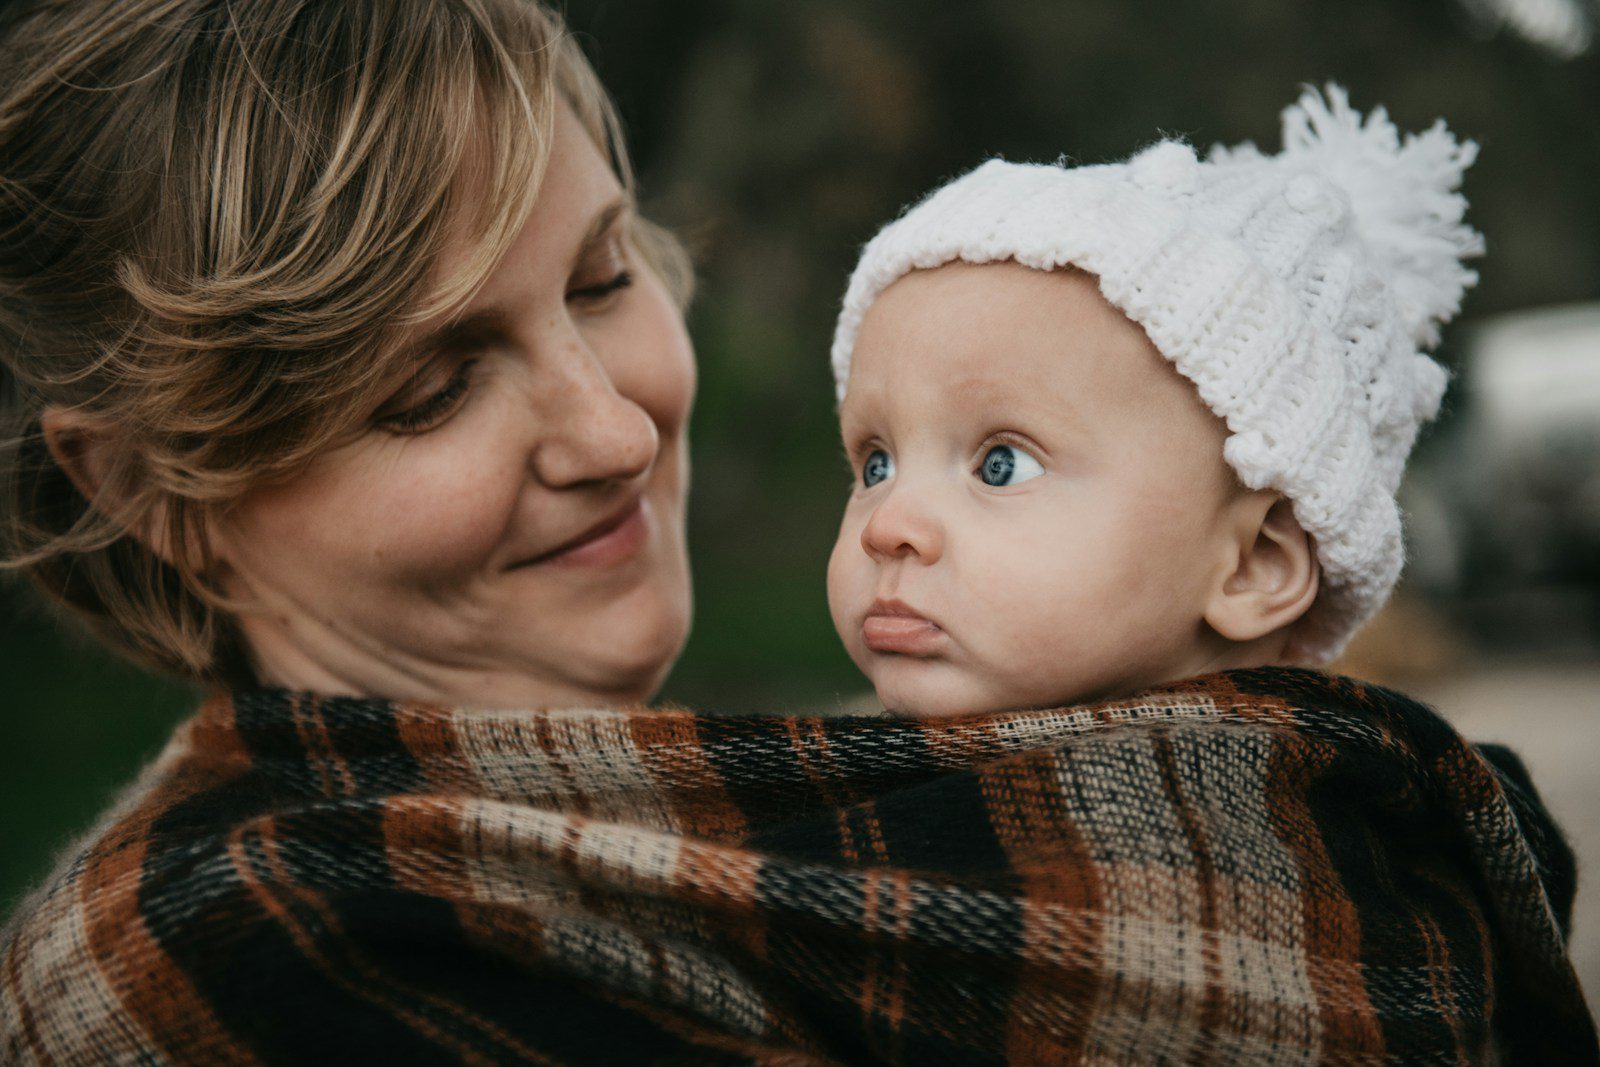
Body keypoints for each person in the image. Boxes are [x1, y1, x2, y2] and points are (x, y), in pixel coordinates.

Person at [0, 0, 1593, 1056]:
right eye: (430, 387)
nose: (618, 431)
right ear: (144, 488)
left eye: (604, 278)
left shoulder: (779, 827)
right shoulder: (267, 954)